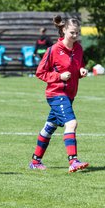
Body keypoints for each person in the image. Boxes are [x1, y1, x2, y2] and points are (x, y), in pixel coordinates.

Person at [29, 15, 89, 173]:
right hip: (56, 94)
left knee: (49, 127)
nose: (75, 36)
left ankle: (35, 161)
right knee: (72, 123)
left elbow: (78, 65)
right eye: (72, 33)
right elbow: (40, 73)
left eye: (77, 33)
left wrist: (81, 70)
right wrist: (59, 77)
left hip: (69, 95)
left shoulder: (78, 49)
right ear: (64, 30)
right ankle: (73, 161)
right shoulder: (54, 50)